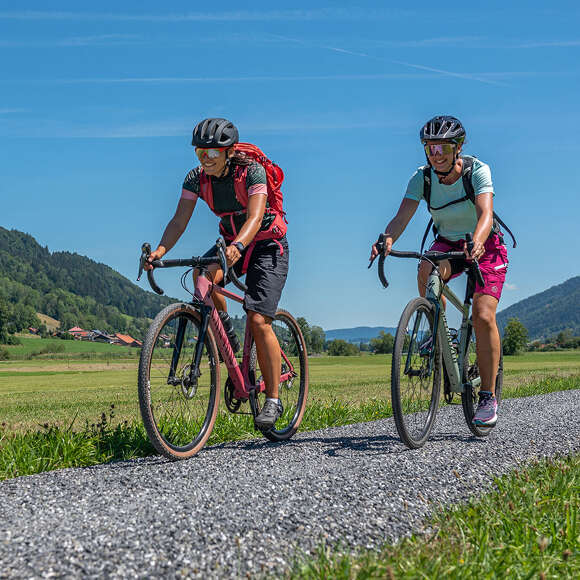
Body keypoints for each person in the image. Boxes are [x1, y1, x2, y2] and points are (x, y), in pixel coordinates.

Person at [146, 118, 289, 428]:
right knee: (202, 274)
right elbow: (178, 222)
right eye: (200, 153)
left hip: (266, 244)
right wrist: (159, 251)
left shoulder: (252, 171)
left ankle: (274, 399)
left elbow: (254, 217)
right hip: (231, 242)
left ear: (228, 151)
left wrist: (237, 245)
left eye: (212, 152)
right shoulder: (196, 179)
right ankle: (222, 325)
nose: (206, 158)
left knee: (258, 317)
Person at [370, 115, 508, 428]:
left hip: (484, 244)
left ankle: (487, 395)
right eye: (430, 147)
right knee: (425, 270)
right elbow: (402, 216)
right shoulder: (423, 179)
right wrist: (387, 239)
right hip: (448, 243)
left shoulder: (477, 171)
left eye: (444, 146)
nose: (437, 153)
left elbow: (486, 213)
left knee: (483, 315)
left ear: (458, 147)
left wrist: (479, 241)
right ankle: (440, 333)